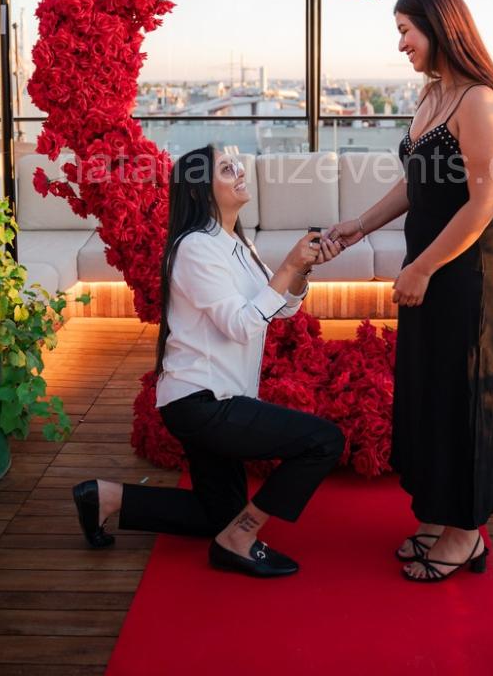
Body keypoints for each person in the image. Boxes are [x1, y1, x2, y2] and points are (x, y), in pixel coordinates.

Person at [72, 145, 345, 578]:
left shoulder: (236, 242)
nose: (240, 172)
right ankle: (241, 538)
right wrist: (288, 264)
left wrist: (301, 270)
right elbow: (241, 325)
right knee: (323, 441)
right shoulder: (196, 249)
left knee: (217, 513)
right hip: (203, 402)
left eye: (237, 165)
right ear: (201, 190)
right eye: (226, 168)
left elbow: (280, 310)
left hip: (215, 397)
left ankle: (105, 498)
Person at [326, 0, 493, 584]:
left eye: (406, 31)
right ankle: (439, 515)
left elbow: (484, 203)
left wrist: (422, 267)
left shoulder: (482, 102)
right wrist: (358, 225)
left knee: (464, 394)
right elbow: (416, 184)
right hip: (429, 271)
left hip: (465, 275)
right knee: (430, 390)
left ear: (440, 28)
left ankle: (467, 535)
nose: (401, 44)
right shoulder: (435, 95)